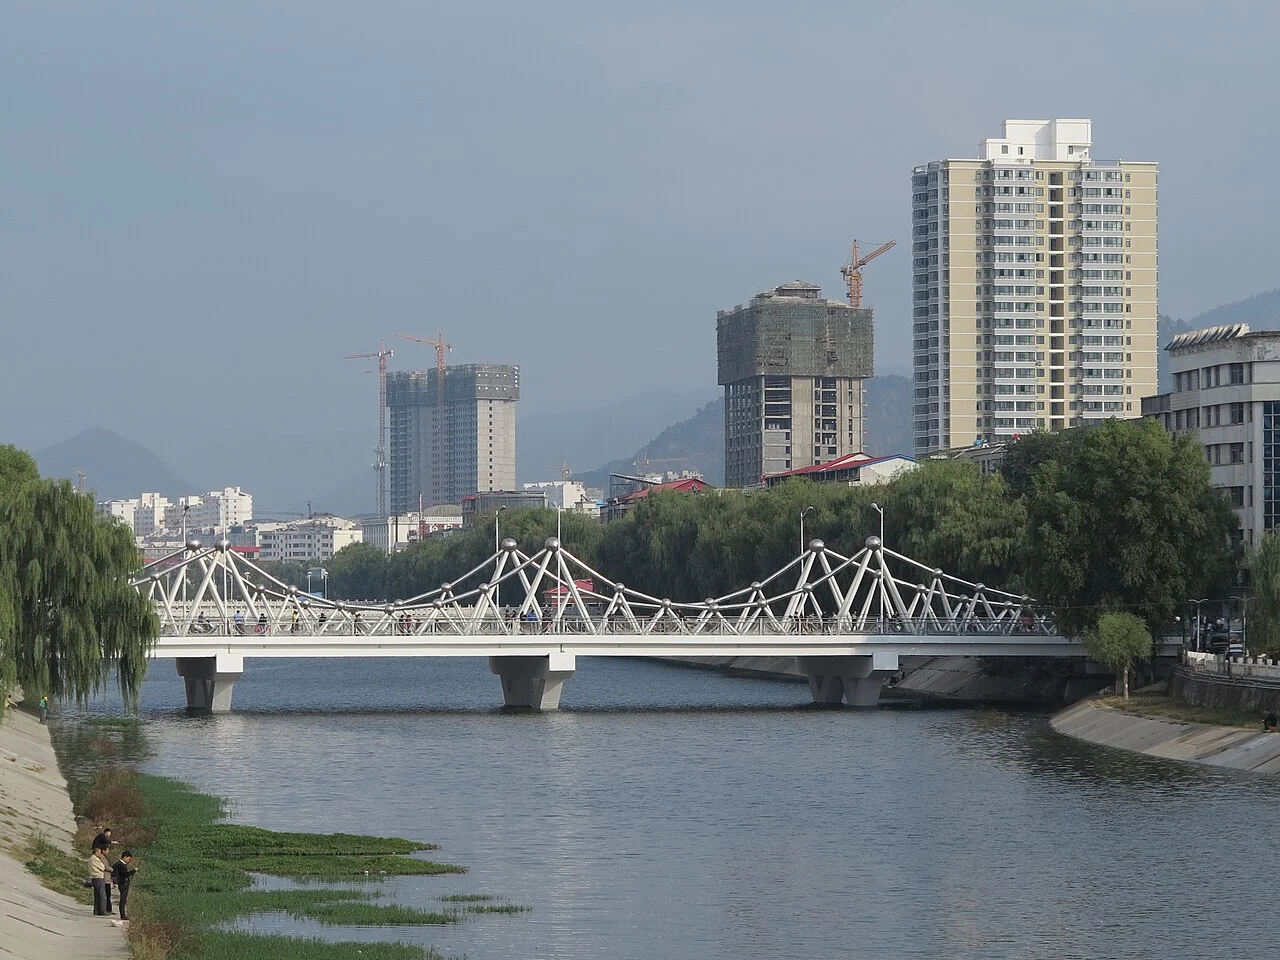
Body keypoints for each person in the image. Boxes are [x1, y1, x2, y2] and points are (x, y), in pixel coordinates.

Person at [111, 851, 137, 921]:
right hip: (123, 884)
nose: (128, 860)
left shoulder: (118, 864)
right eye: (128, 859)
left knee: (123, 899)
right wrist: (134, 871)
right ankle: (123, 915)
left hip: (122, 883)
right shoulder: (121, 865)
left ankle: (123, 914)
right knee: (123, 899)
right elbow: (125, 874)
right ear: (125, 857)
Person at [87, 845, 110, 916]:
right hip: (99, 877)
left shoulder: (90, 859)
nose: (100, 854)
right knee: (102, 895)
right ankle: (102, 910)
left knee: (97, 895)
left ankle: (97, 910)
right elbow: (102, 867)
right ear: (96, 852)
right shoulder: (95, 859)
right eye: (99, 852)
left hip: (94, 878)